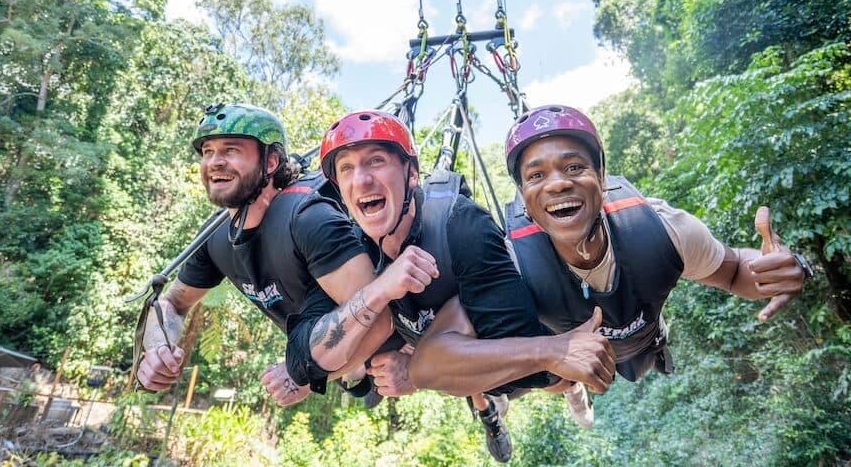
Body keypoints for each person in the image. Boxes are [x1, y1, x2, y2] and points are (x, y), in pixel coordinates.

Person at [305, 110, 616, 462]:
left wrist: (416, 370)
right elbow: (326, 348)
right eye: (346, 168)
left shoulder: (461, 225)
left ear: (411, 175)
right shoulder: (355, 253)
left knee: (549, 380)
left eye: (376, 161)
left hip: (506, 354)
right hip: (448, 352)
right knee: (411, 365)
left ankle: (568, 389)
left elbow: (521, 361)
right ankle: (487, 407)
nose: (361, 180)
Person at [502, 104, 812, 427]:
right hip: (562, 351)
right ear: (523, 199)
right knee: (553, 378)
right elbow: (460, 354)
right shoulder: (512, 264)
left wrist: (774, 270)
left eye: (574, 167)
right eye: (537, 175)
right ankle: (573, 389)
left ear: (602, 178)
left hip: (642, 338)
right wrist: (550, 354)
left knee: (639, 365)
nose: (557, 185)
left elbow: (733, 270)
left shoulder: (660, 230)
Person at [134, 103, 396, 406]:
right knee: (343, 367)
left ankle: (358, 376)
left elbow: (380, 320)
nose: (215, 162)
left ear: (271, 161)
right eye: (208, 152)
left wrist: (306, 378)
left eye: (231, 150)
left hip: (385, 344)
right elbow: (173, 303)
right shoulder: (215, 236)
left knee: (368, 367)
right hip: (323, 344)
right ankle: (355, 377)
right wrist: (156, 348)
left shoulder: (309, 218)